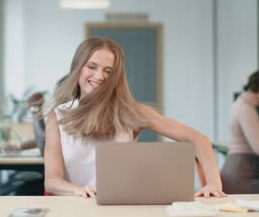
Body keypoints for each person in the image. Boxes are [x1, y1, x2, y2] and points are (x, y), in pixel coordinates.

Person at [43, 37, 225, 198]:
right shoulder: (58, 116)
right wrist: (79, 191)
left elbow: (198, 139)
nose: (99, 76)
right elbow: (51, 181)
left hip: (119, 211)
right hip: (74, 211)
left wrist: (214, 184)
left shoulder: (130, 113)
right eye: (91, 67)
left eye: (108, 71)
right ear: (77, 68)